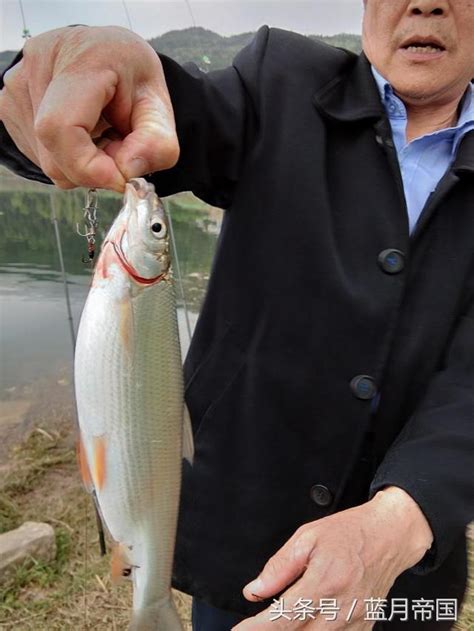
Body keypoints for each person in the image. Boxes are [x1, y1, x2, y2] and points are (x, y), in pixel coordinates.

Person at [0, 1, 473, 629]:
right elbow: (168, 120)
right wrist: (62, 81)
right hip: (241, 553)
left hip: (409, 580)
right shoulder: (279, 82)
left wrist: (403, 516)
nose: (425, 1)